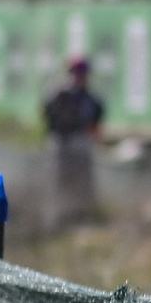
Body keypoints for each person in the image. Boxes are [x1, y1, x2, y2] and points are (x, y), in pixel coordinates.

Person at [45, 55, 105, 226]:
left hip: (80, 142)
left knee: (83, 183)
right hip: (61, 142)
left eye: (82, 73)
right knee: (60, 181)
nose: (78, 77)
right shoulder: (58, 94)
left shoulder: (90, 97)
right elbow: (47, 115)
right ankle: (60, 216)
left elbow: (96, 121)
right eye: (75, 73)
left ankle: (84, 216)